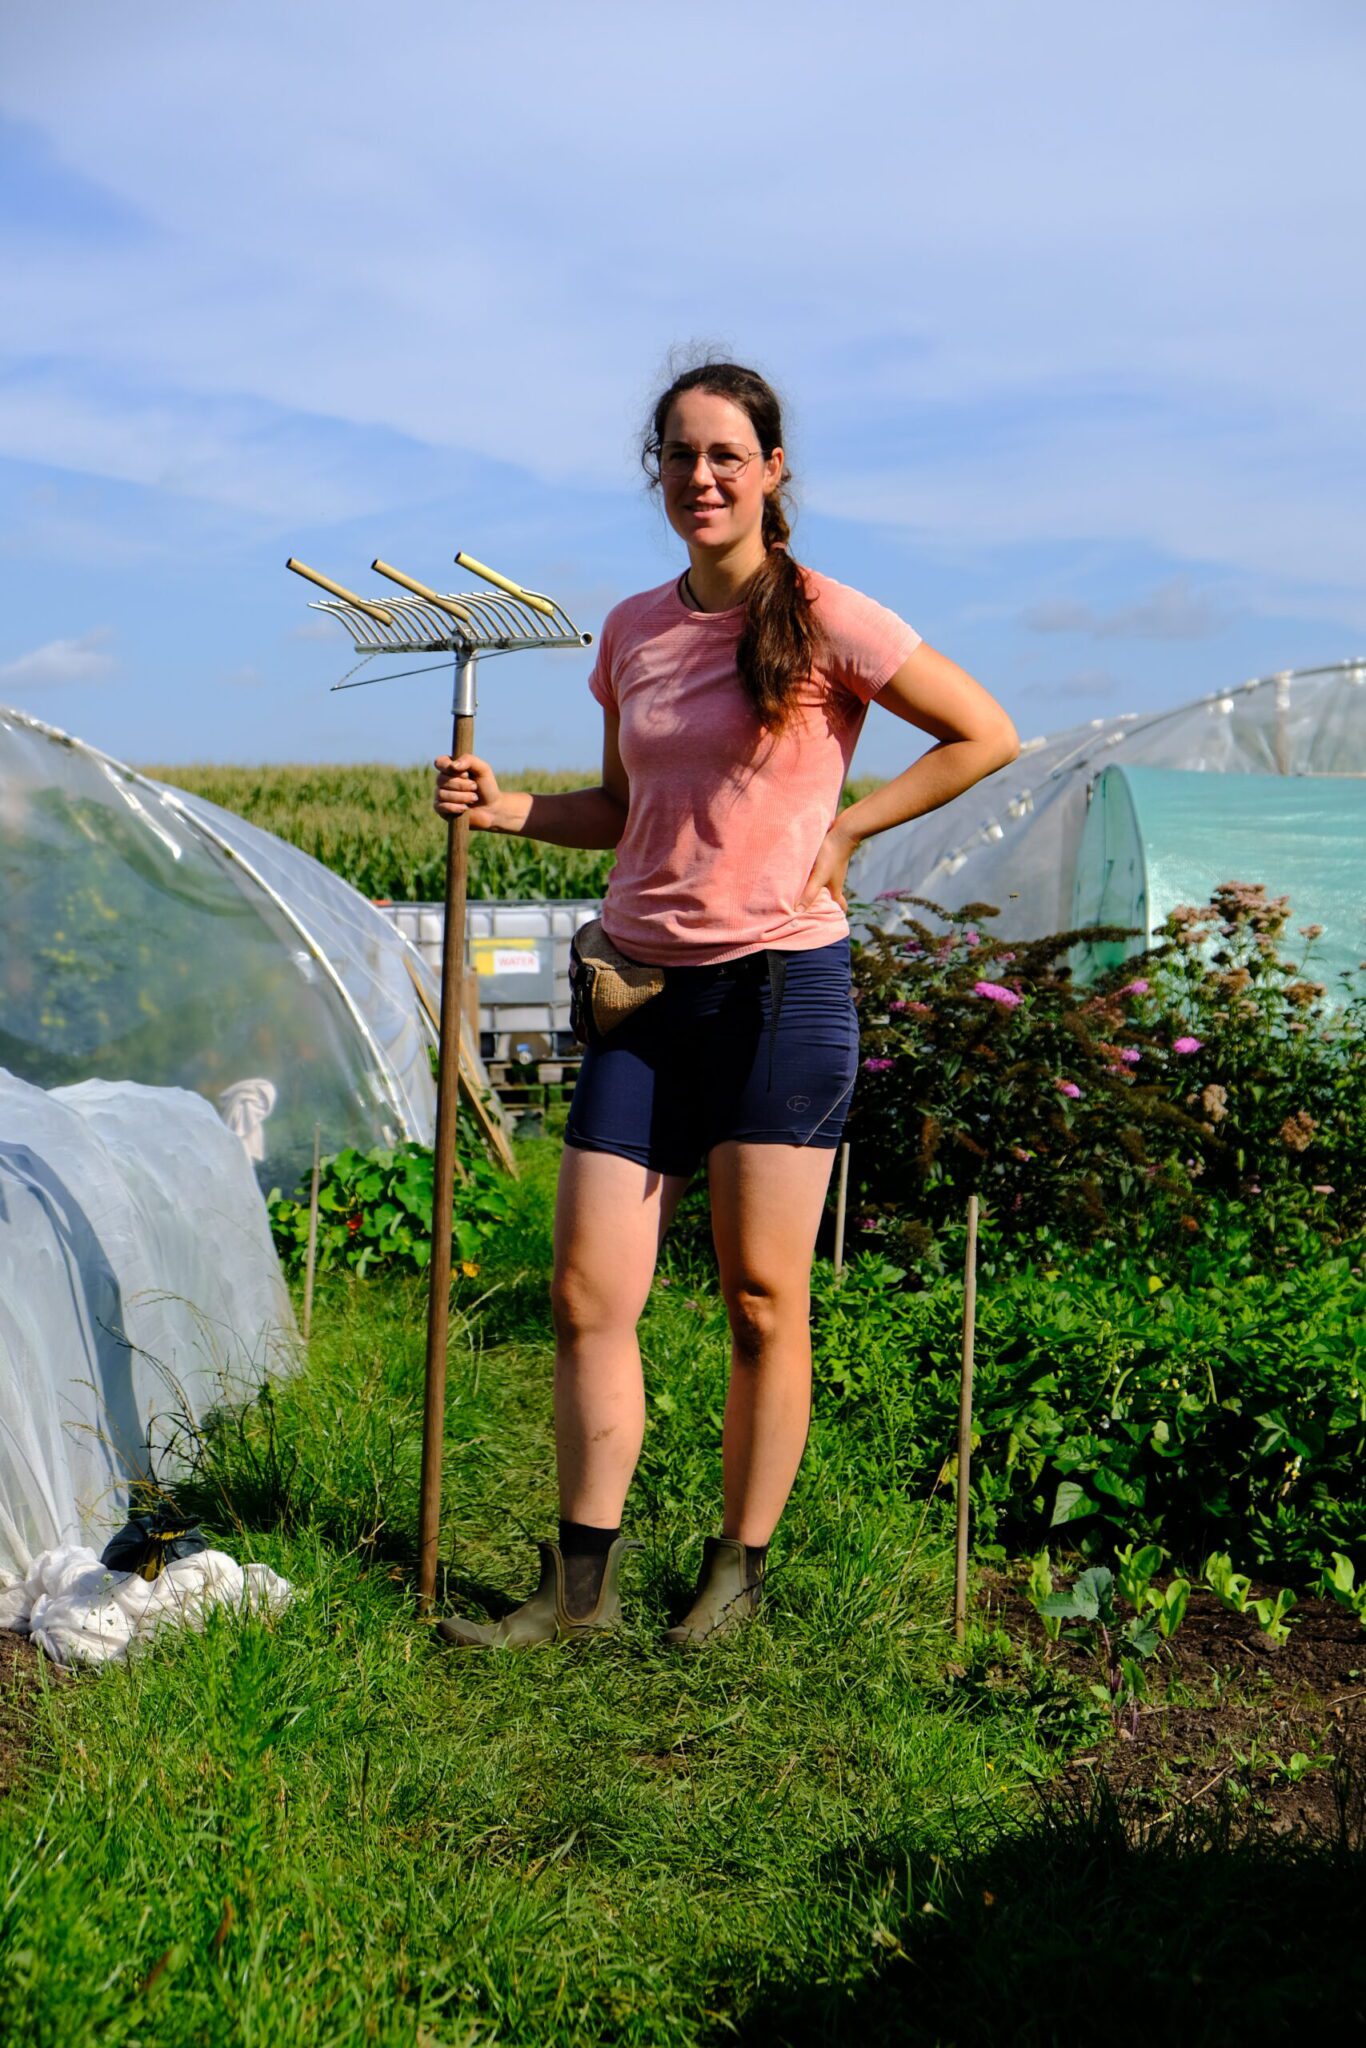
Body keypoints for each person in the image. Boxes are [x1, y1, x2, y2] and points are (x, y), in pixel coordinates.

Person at [432, 360, 1019, 1650]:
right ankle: (576, 1589)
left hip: (779, 991)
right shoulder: (632, 630)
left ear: (771, 471)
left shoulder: (824, 615)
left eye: (726, 456)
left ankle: (733, 1577)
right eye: (680, 457)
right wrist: (507, 806)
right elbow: (623, 809)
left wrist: (849, 828)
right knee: (590, 1294)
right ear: (662, 474)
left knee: (762, 1299)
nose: (702, 478)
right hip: (640, 992)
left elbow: (985, 732)